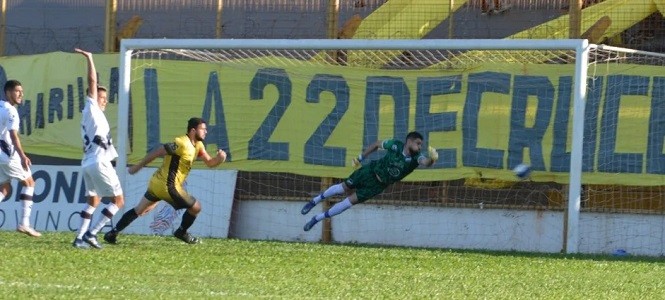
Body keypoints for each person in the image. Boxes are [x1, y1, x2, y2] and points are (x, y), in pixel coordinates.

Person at [103, 117, 227, 244]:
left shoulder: (199, 146)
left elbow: (210, 163)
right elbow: (158, 152)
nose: (206, 132)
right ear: (193, 130)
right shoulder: (181, 143)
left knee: (139, 210)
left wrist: (220, 159)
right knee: (196, 207)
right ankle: (182, 232)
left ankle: (112, 233)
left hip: (156, 184)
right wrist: (138, 166)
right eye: (203, 129)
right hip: (168, 186)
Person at [301, 131, 438, 231]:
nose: (420, 147)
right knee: (344, 187)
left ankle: (317, 218)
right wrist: (361, 158)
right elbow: (377, 144)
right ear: (409, 141)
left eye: (421, 145)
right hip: (370, 171)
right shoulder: (395, 145)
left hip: (378, 185)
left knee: (348, 203)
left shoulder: (416, 158)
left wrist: (432, 159)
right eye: (418, 143)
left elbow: (425, 162)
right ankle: (315, 200)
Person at [72, 48, 125, 249]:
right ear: (93, 98)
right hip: (98, 162)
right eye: (101, 97)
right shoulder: (91, 107)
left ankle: (78, 238)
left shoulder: (92, 116)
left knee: (93, 200)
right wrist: (90, 58)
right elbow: (92, 82)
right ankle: (92, 233)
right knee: (119, 201)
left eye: (104, 98)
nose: (104, 100)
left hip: (88, 162)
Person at [0, 80, 40, 237]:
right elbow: (13, 135)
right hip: (7, 154)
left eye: (22, 91)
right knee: (29, 182)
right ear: (8, 92)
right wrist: (22, 156)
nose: (21, 94)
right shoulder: (11, 111)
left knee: (4, 188)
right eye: (17, 91)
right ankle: (24, 223)